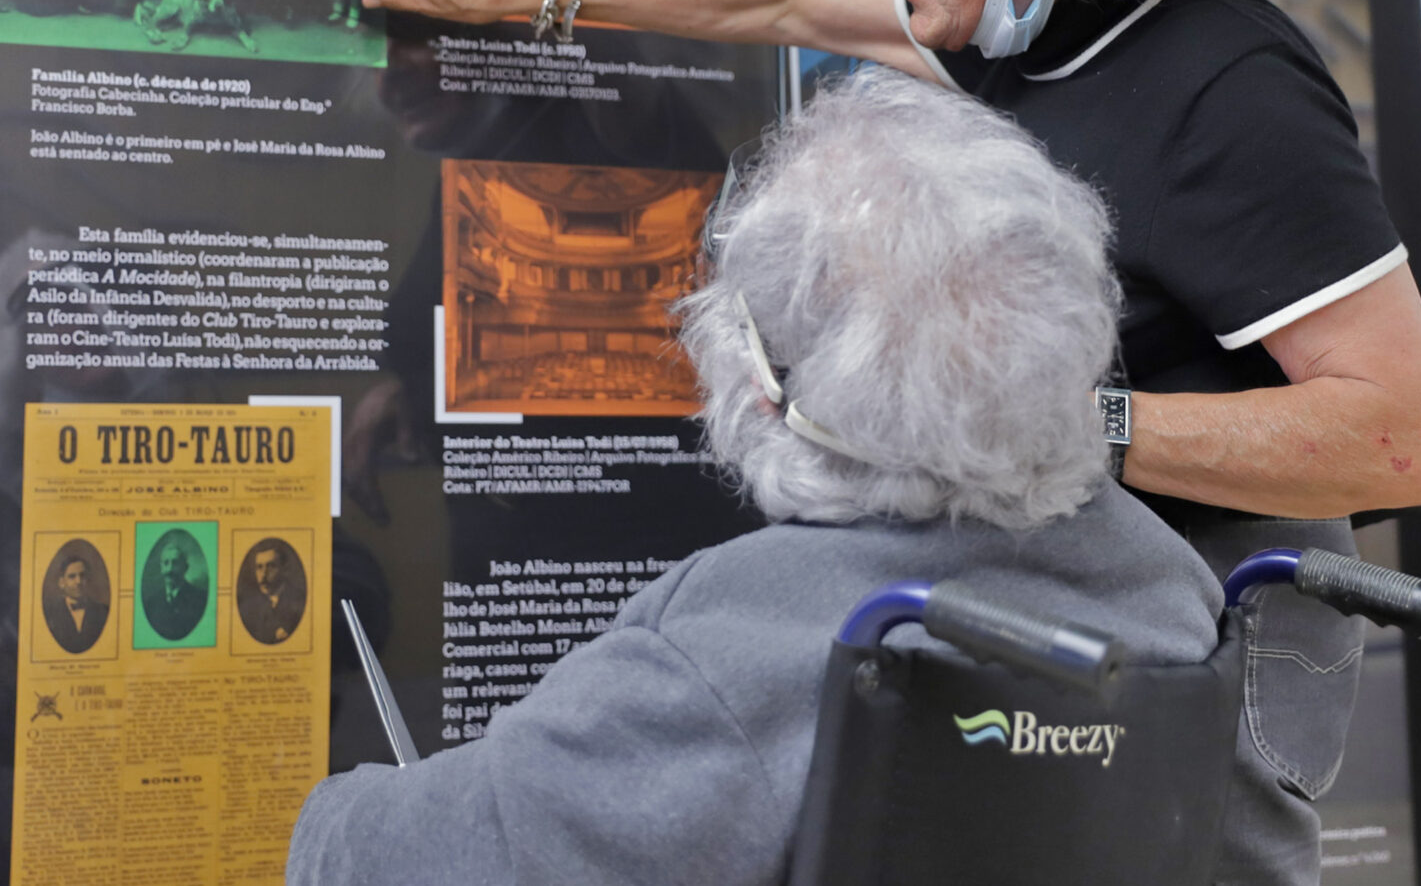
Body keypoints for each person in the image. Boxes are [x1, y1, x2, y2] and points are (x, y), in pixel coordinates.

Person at [342, 0, 1421, 884]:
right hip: (1062, 627)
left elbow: (1415, 442)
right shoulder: (1026, 14)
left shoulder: (1227, 90)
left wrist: (1049, 424)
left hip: (1205, 650)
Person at [287, 68, 1222, 885]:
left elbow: (384, 860)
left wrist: (328, 809)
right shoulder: (1167, 586)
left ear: (763, 386)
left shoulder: (734, 640)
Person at [236, 539, 307, 645]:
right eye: (259, 567)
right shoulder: (248, 607)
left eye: (271, 566)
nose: (263, 574)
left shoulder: (299, 600)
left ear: (284, 569)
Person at [42, 546, 109, 655]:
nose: (78, 581)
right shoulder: (49, 612)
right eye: (72, 577)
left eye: (82, 576)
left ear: (88, 579)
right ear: (61, 583)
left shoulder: (104, 611)